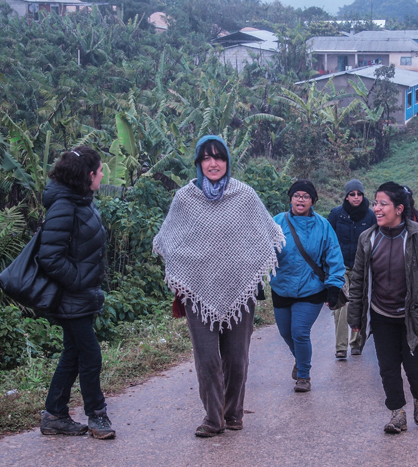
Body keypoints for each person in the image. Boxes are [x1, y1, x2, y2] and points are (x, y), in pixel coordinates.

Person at [153, 136, 284, 437]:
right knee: (207, 359)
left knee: (237, 358)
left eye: (219, 157)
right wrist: (185, 273)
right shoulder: (185, 199)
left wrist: (251, 269)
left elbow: (265, 237)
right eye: (206, 158)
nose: (213, 163)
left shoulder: (245, 196)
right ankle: (213, 419)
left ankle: (233, 413)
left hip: (241, 293)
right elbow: (168, 241)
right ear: (198, 163)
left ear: (227, 161)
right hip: (197, 293)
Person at [348, 182, 418, 434]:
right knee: (388, 368)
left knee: (414, 367)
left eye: (383, 204)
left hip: (413, 317)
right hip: (381, 316)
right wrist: (355, 316)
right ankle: (397, 414)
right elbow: (358, 278)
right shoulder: (368, 238)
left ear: (400, 208)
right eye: (376, 203)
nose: (377, 209)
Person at [38, 146, 114, 440]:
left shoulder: (81, 200)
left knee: (73, 353)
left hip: (81, 296)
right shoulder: (64, 205)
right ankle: (97, 416)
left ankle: (55, 414)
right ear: (88, 175)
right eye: (100, 170)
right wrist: (80, 280)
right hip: (71, 295)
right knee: (90, 354)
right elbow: (50, 257)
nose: (103, 174)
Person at [272, 180, 345, 393]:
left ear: (313, 200)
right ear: (291, 199)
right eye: (297, 195)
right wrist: (257, 279)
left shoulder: (323, 226)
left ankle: (304, 375)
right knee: (286, 332)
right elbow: (261, 250)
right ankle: (300, 359)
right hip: (281, 287)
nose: (300, 199)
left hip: (311, 288)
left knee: (300, 332)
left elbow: (334, 256)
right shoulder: (277, 222)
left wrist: (334, 287)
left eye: (305, 196)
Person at [328, 179, 377, 358]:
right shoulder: (336, 215)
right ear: (346, 196)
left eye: (359, 194)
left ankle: (356, 342)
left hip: (361, 268)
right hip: (339, 268)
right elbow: (328, 241)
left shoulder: (371, 216)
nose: (356, 197)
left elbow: (376, 241)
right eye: (352, 194)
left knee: (359, 303)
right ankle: (341, 347)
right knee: (341, 306)